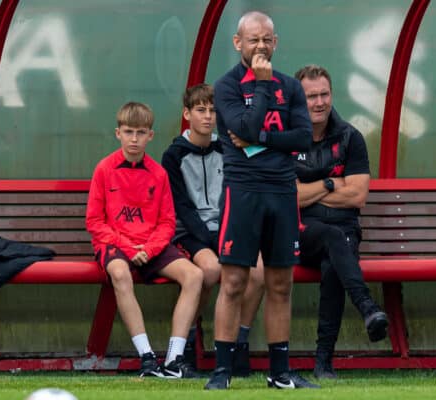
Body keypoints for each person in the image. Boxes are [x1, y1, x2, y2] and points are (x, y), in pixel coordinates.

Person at [204, 11, 318, 390]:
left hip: (282, 189)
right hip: (244, 189)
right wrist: (263, 88)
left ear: (276, 42)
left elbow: (303, 137)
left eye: (267, 39)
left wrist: (264, 141)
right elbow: (246, 126)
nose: (261, 46)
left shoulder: (292, 86)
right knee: (234, 280)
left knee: (281, 283)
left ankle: (280, 373)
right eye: (253, 39)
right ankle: (221, 372)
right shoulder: (227, 86)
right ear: (238, 43)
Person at [85, 101, 204, 378]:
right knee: (119, 273)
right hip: (116, 245)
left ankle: (174, 360)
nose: (134, 139)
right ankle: (147, 358)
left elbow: (167, 222)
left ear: (150, 135)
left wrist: (148, 250)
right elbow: (94, 222)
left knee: (195, 276)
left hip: (151, 247)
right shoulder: (104, 169)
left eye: (141, 132)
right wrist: (128, 248)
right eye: (128, 132)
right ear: (118, 133)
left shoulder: (158, 173)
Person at [161, 83, 265, 376]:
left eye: (213, 111)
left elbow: (237, 192)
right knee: (210, 270)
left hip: (227, 228)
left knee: (257, 270)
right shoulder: (174, 155)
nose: (207, 117)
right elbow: (181, 206)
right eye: (200, 110)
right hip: (192, 234)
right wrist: (211, 240)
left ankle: (238, 344)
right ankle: (192, 338)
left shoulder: (228, 148)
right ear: (187, 114)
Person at [293, 65, 389, 379]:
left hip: (344, 229)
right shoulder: (288, 138)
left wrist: (313, 190)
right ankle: (367, 308)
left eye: (324, 94)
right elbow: (289, 198)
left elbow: (358, 196)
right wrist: (332, 183)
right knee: (334, 240)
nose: (319, 102)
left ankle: (323, 363)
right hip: (300, 230)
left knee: (335, 259)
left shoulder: (350, 137)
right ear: (298, 98)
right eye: (311, 96)